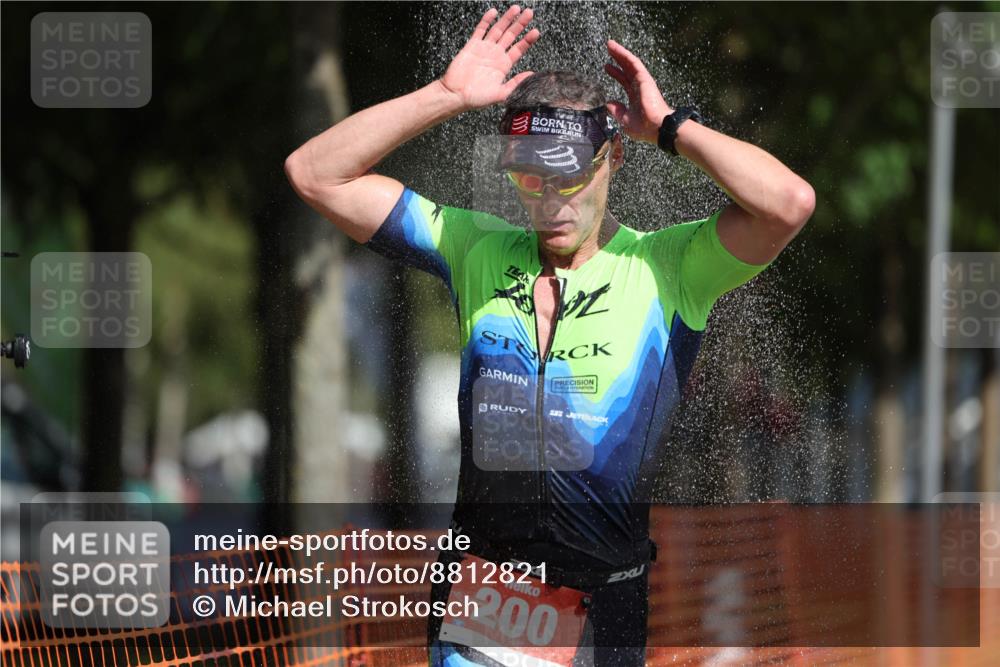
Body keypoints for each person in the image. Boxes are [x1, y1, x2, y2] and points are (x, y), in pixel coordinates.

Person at [285, 5, 814, 666]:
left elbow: (788, 203)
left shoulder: (666, 268)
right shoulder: (473, 245)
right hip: (479, 598)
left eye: (570, 172)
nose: (550, 198)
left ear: (613, 156)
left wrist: (673, 129)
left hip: (602, 614)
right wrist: (444, 97)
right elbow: (315, 173)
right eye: (529, 175)